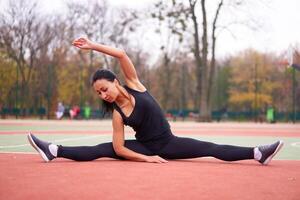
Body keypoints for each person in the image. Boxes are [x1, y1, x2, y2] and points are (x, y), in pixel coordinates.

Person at [27, 37, 283, 164]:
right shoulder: (117, 113)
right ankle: (54, 151)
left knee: (211, 148)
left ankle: (257, 154)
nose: (103, 95)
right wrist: (147, 159)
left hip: (170, 143)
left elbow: (121, 53)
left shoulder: (135, 85)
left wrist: (93, 45)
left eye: (104, 88)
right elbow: (119, 149)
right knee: (103, 149)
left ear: (115, 81)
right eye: (99, 93)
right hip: (146, 148)